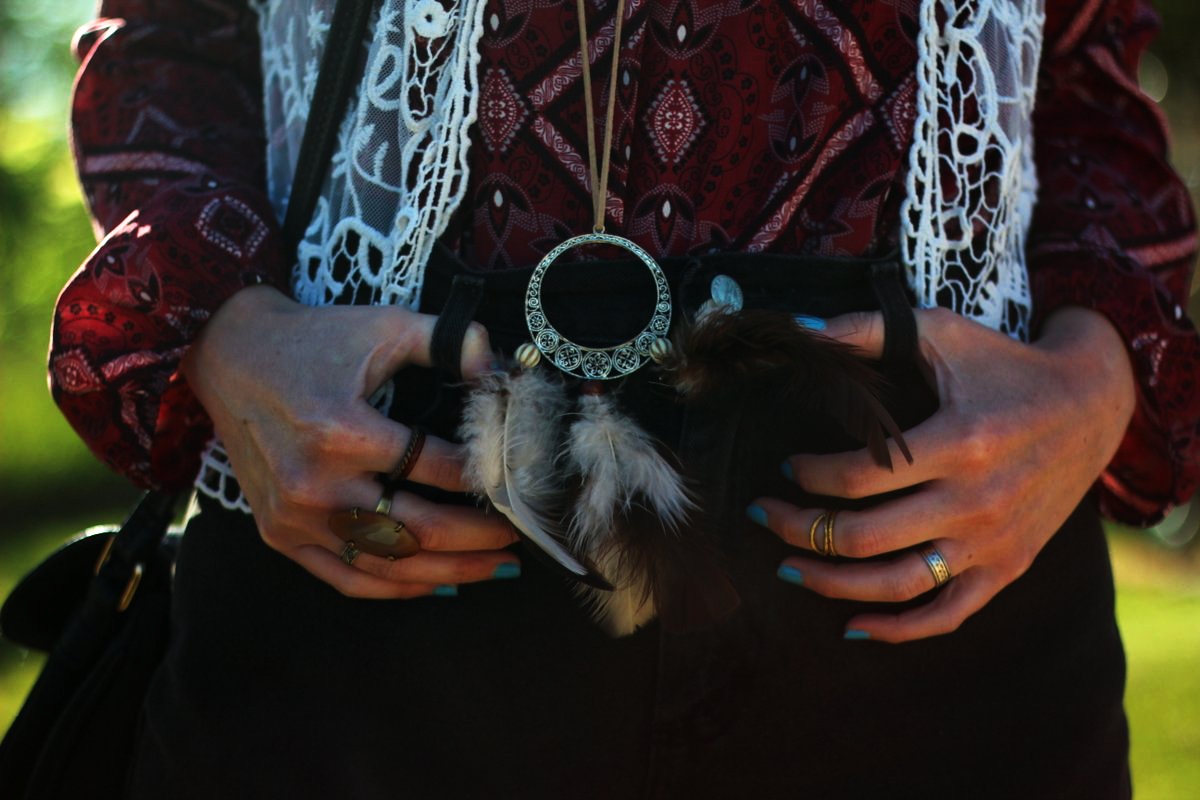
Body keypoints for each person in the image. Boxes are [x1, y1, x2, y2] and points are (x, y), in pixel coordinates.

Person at [48, 0, 1197, 797]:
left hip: (932, 528)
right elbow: (171, 31)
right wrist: (226, 329)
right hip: (383, 497)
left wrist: (1094, 375)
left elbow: (1086, 75)